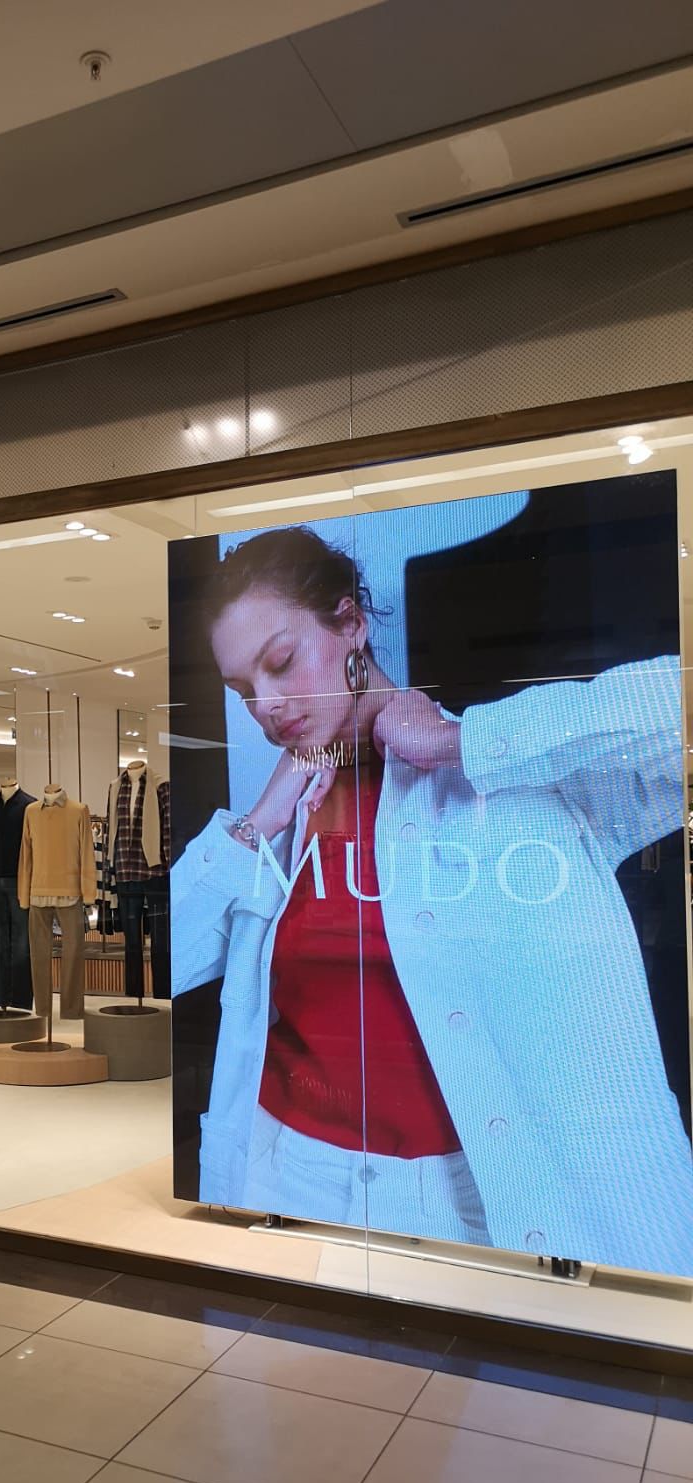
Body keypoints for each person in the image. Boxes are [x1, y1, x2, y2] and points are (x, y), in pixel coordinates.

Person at [172, 525, 693, 1276]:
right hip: (289, 1173)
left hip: (480, 1192)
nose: (269, 706)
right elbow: (173, 961)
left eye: (281, 663)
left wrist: (463, 743)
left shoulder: (519, 780)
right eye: (244, 690)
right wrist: (259, 822)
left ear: (351, 622)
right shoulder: (281, 823)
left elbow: (674, 710)